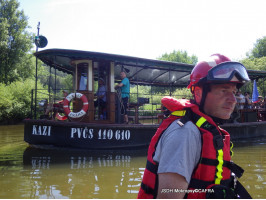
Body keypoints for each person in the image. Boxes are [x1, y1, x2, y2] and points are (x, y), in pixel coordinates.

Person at [138, 54, 252, 199]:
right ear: (198, 93)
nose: (233, 100)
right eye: (224, 91)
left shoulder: (201, 129)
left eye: (234, 92)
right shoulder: (185, 133)